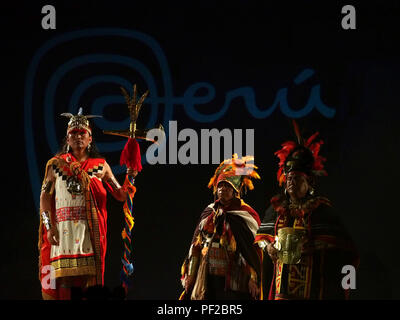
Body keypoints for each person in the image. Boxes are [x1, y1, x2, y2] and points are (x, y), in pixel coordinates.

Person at [38, 108, 138, 300]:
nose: (78, 137)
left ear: (90, 138)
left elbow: (120, 195)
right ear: (67, 139)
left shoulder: (101, 166)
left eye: (82, 133)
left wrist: (130, 176)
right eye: (73, 134)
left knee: (88, 281)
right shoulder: (55, 165)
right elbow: (44, 197)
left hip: (89, 232)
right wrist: (49, 227)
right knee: (65, 281)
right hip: (63, 231)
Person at [255, 121, 358, 300]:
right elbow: (262, 238)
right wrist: (268, 247)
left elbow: (342, 247)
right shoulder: (277, 210)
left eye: (296, 178)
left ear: (309, 183)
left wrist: (313, 246)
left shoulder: (321, 211)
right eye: (288, 178)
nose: (291, 182)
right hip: (282, 284)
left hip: (313, 285)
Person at [180, 154, 262, 300]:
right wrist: (190, 276)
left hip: (235, 278)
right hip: (207, 276)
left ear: (235, 191)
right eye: (220, 185)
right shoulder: (209, 212)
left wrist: (253, 278)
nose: (223, 189)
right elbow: (196, 246)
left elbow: (252, 251)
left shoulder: (245, 214)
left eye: (228, 186)